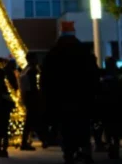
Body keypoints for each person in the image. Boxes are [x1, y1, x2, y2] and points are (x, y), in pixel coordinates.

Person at [42, 21, 99, 164]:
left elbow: (46, 80)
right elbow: (93, 75)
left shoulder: (53, 53)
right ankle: (85, 151)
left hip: (61, 99)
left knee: (65, 128)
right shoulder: (83, 51)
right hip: (82, 98)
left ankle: (68, 153)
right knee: (83, 127)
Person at [18, 52, 45, 151]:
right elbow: (34, 86)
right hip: (32, 97)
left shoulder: (25, 70)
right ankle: (25, 142)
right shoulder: (32, 71)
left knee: (31, 120)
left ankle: (39, 139)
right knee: (32, 120)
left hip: (27, 97)